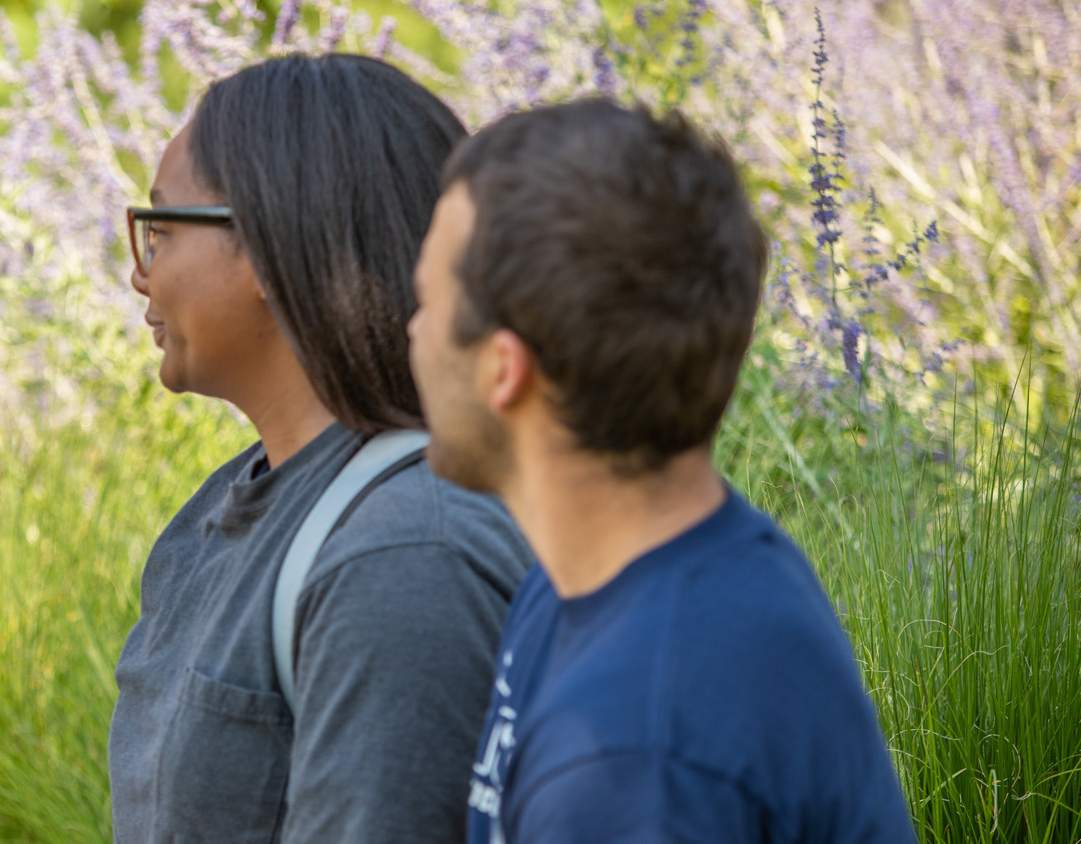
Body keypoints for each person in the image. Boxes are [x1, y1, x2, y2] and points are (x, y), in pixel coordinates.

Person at [407, 98, 915, 842]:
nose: (411, 330)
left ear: (502, 370)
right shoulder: (608, 578)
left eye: (426, 302)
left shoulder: (633, 765)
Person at [109, 53, 533, 844]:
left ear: (269, 247)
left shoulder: (404, 555)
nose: (142, 273)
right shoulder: (215, 516)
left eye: (161, 229)